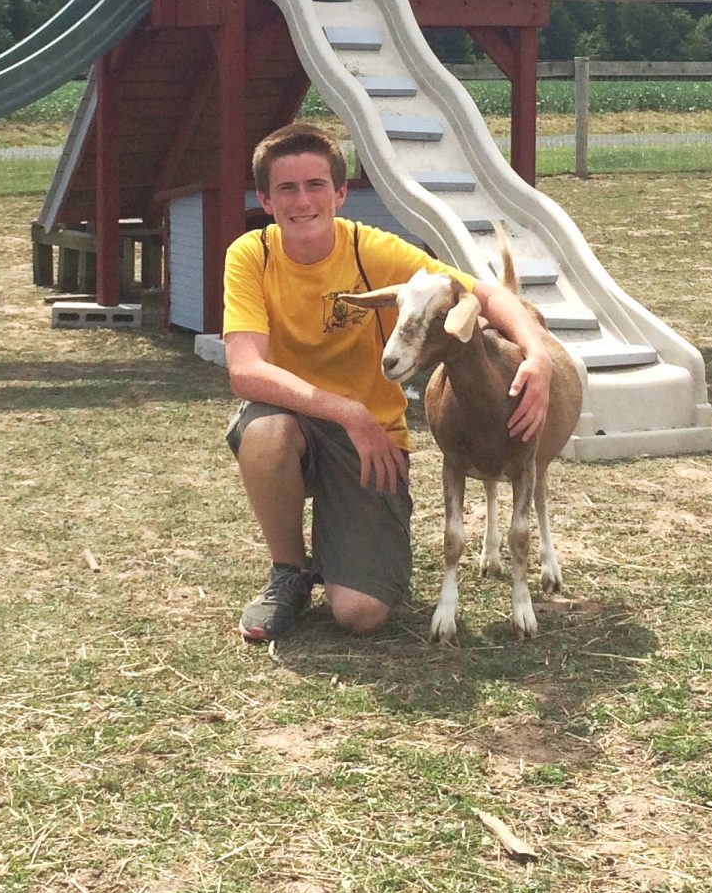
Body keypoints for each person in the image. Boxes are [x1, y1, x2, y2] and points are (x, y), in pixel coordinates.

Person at [221, 121, 560, 644]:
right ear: (265, 199)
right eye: (286, 188)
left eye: (315, 185)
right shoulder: (251, 256)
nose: (302, 200)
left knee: (362, 614)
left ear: (339, 193)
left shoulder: (373, 251)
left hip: (375, 442)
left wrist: (537, 355)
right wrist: (350, 412)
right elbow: (245, 371)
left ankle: (350, 555)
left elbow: (486, 296)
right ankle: (289, 570)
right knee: (266, 432)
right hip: (309, 424)